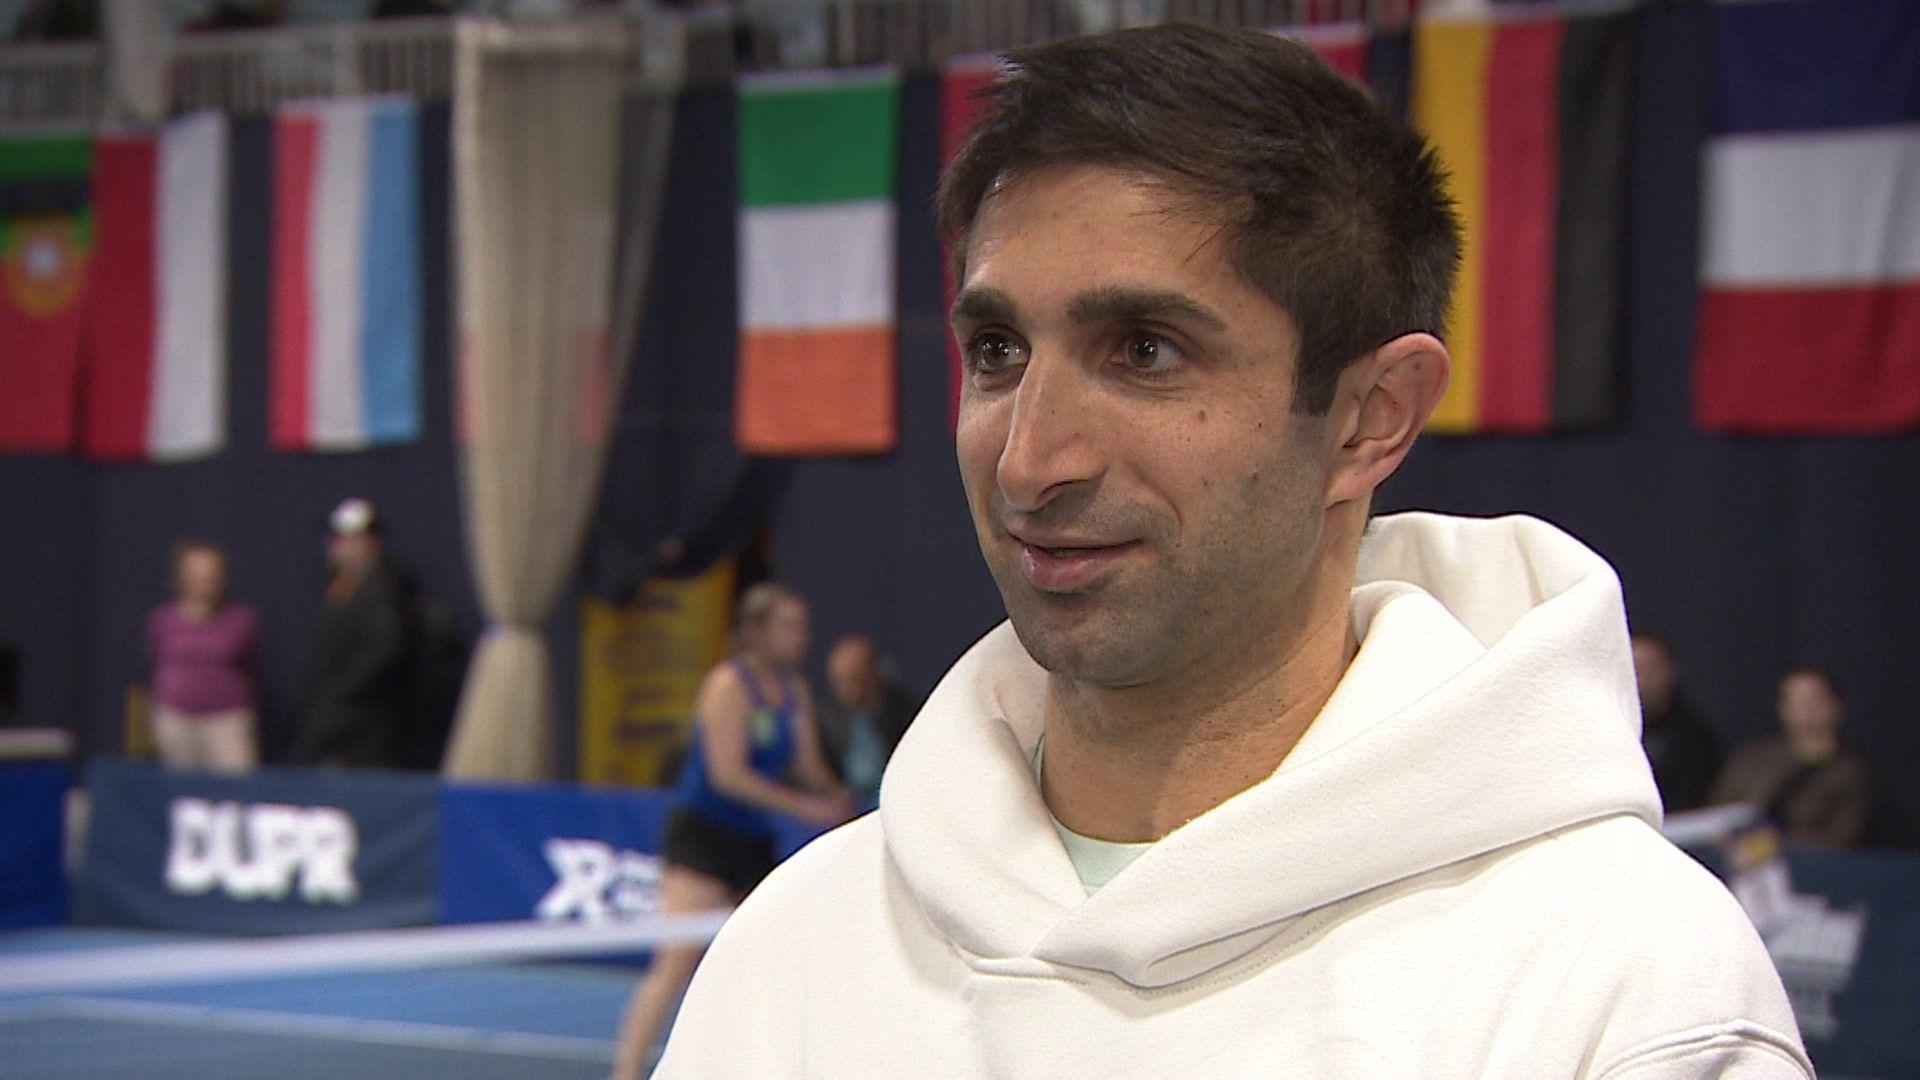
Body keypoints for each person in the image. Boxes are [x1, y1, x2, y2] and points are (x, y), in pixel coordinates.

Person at [654, 25, 1809, 1079]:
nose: (1028, 461)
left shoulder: (1623, 985)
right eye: (998, 349)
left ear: (1371, 418)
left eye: (1146, 351)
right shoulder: (798, 947)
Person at [612, 583, 852, 1079]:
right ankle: (627, 1073)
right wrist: (805, 808)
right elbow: (729, 775)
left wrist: (838, 797)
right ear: (757, 631)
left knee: (767, 964)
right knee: (676, 964)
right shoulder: (727, 686)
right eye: (790, 625)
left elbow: (807, 765)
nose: (802, 635)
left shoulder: (794, 691)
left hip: (753, 846)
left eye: (803, 625)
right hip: (703, 840)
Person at [291, 498, 415, 768]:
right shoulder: (338, 589)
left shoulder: (386, 591)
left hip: (366, 727)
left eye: (358, 540)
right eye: (342, 540)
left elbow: (386, 650)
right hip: (333, 724)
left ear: (375, 544)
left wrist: (343, 691)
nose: (349, 548)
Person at [1712, 668, 1871, 848]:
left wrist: (1770, 845)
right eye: (1795, 700)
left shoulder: (1850, 772)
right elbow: (1719, 812)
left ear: (1836, 705)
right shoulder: (1752, 759)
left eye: (1814, 699)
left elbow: (1843, 837)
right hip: (1734, 860)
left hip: (1808, 865)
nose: (1805, 708)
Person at [146, 540, 259, 774]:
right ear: (182, 578)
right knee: (182, 794)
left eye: (211, 576)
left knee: (234, 793)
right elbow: (156, 657)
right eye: (197, 576)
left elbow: (245, 658)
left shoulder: (240, 621)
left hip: (226, 722)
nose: (205, 583)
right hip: (176, 720)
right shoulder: (163, 620)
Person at [815, 634, 920, 808]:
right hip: (846, 802)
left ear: (874, 673)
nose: (847, 690)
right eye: (839, 682)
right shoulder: (827, 718)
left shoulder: (905, 712)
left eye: (854, 679)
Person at [1632, 631, 1724, 813]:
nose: (1641, 680)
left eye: (1650, 669)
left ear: (1671, 671)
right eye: (1634, 670)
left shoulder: (1695, 741)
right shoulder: (1600, 736)